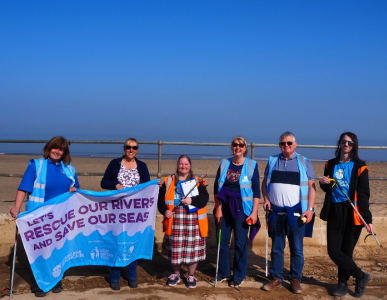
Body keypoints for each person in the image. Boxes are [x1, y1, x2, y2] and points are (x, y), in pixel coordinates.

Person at [10, 136, 79, 297]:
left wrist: (73, 189)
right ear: (49, 148)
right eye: (55, 147)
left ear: (65, 152)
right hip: (38, 216)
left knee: (57, 248)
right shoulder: (37, 165)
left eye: (61, 149)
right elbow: (23, 189)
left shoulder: (69, 169)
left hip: (60, 218)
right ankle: (39, 282)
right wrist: (16, 209)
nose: (58, 151)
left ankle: (56, 278)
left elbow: (75, 187)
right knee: (40, 249)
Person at [261, 131, 316, 294]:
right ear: (279, 145)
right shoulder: (272, 161)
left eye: (289, 143)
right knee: (277, 247)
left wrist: (310, 209)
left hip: (297, 214)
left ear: (295, 144)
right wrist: (266, 198)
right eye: (282, 143)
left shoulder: (304, 162)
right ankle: (276, 278)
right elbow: (264, 183)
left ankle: (295, 278)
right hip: (276, 213)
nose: (286, 146)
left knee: (297, 248)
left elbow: (312, 188)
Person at [319, 132, 373, 298]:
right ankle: (361, 275)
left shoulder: (360, 167)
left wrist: (367, 219)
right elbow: (328, 189)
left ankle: (342, 283)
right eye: (343, 142)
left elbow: (364, 195)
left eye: (349, 142)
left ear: (354, 145)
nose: (346, 145)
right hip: (335, 210)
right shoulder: (330, 164)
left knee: (346, 251)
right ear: (340, 144)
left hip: (352, 212)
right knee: (334, 251)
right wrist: (324, 184)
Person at [101, 137, 150, 290]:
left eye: (134, 147)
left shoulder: (142, 166)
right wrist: (115, 185)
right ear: (124, 148)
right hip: (116, 211)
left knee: (132, 242)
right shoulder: (114, 164)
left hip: (134, 213)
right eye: (129, 147)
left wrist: (157, 185)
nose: (131, 150)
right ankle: (114, 276)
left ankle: (131, 275)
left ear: (137, 150)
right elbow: (103, 182)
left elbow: (147, 186)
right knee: (116, 241)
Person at [213, 136, 261, 287]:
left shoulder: (252, 165)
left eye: (241, 145)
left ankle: (239, 275)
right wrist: (218, 209)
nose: (238, 147)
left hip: (242, 208)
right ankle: (223, 273)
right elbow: (216, 189)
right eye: (235, 145)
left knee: (240, 242)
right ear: (231, 147)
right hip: (224, 206)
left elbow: (256, 192)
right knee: (223, 241)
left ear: (245, 148)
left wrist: (254, 213)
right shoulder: (224, 163)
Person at [158, 155, 209, 289]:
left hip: (194, 220)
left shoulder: (198, 181)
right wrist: (165, 211)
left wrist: (191, 201)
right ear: (177, 165)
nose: (183, 167)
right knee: (176, 248)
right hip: (175, 219)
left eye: (186, 164)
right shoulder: (168, 180)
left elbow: (204, 198)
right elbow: (160, 200)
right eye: (181, 164)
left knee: (192, 249)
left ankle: (191, 275)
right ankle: (176, 274)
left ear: (190, 166)